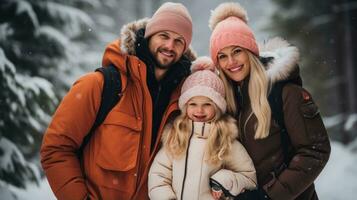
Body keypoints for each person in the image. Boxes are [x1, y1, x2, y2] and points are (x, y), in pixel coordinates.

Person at [40, 2, 196, 200]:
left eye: (179, 41)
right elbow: (56, 148)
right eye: (164, 36)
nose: (169, 46)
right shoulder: (100, 86)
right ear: (149, 36)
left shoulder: (185, 101)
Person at [208, 2, 331, 200]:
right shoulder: (227, 102)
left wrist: (269, 196)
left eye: (237, 51)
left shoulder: (285, 93)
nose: (231, 62)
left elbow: (315, 151)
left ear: (251, 52)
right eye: (222, 56)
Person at [148, 57, 257, 200]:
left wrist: (223, 181)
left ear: (217, 108)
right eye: (193, 104)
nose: (199, 110)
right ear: (185, 107)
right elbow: (158, 175)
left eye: (207, 104)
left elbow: (249, 178)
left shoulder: (226, 142)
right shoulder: (175, 139)